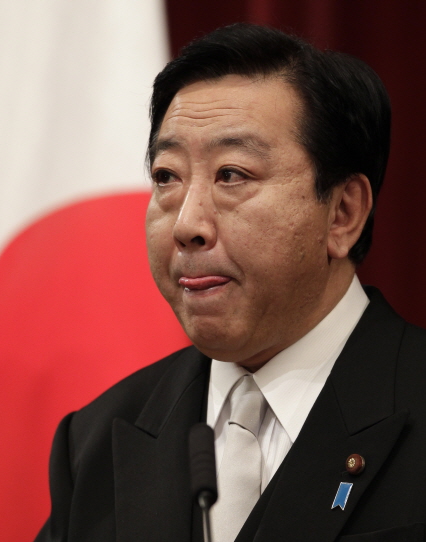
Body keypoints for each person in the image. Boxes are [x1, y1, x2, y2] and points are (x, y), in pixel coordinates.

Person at [35, 24, 426, 542]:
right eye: (167, 177)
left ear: (342, 213)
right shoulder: (96, 442)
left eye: (232, 175)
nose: (187, 225)